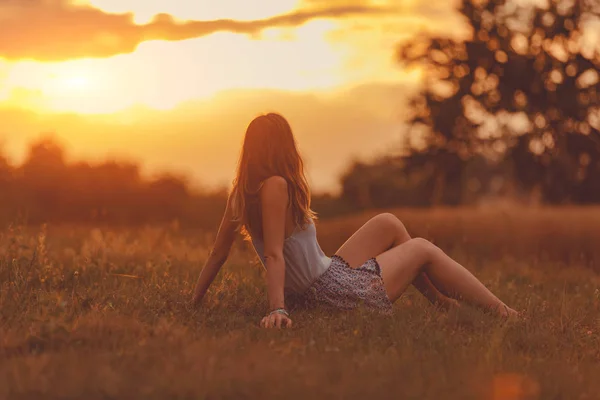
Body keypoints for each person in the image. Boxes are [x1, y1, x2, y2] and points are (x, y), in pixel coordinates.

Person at [191, 113, 519, 329]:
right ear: (282, 147)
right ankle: (504, 314)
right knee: (422, 248)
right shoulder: (276, 186)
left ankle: (441, 303)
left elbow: (217, 253)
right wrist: (278, 309)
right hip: (329, 292)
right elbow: (274, 255)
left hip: (326, 274)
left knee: (388, 222)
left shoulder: (241, 192)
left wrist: (194, 302)